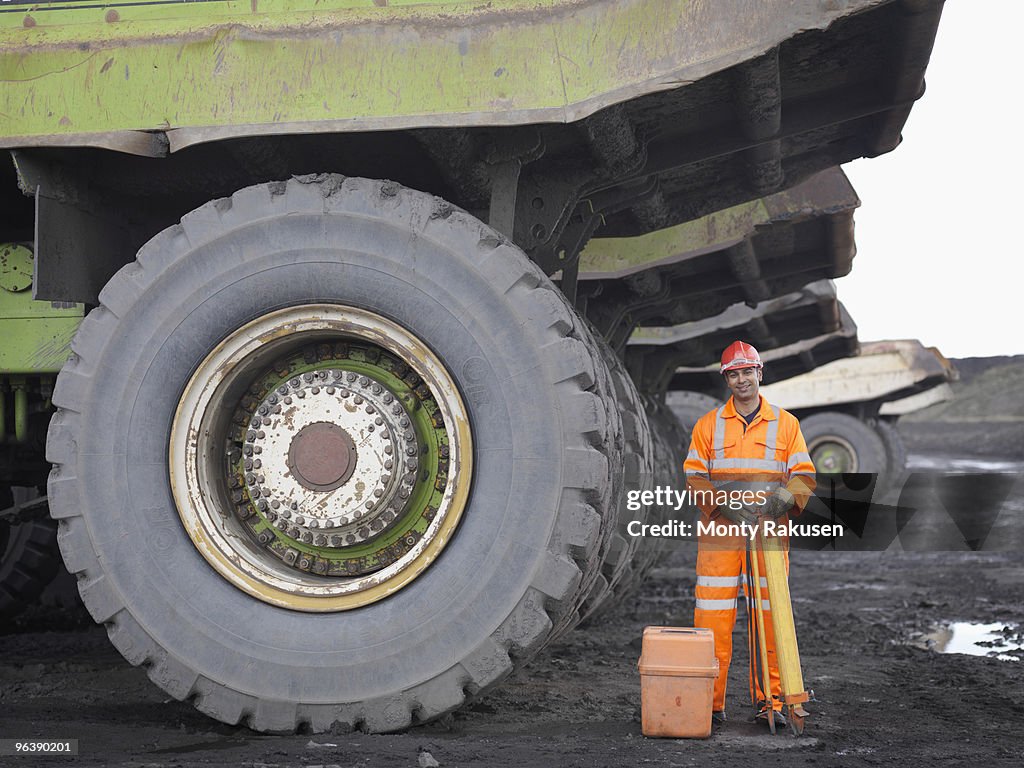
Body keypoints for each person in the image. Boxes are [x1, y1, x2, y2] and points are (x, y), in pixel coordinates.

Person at [683, 340, 815, 727]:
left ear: (760, 373)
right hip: (720, 536)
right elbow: (694, 476)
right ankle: (709, 703)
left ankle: (771, 702)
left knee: (771, 618)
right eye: (734, 374)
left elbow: (805, 478)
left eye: (747, 371)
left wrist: (782, 501)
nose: (742, 379)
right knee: (712, 619)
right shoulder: (708, 425)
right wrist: (722, 505)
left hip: (769, 534)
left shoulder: (786, 424)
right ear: (727, 379)